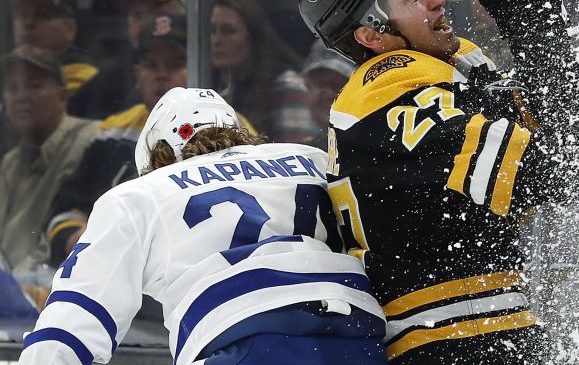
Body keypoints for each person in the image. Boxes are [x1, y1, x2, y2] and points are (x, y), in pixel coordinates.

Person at [299, 0, 579, 364]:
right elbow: (548, 173)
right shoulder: (386, 88)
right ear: (372, 36)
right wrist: (537, 36)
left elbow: (578, 140)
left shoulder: (450, 63)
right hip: (444, 340)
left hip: (489, 327)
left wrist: (540, 31)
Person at [19, 86, 388, 365]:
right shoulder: (310, 159)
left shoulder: (139, 194)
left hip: (240, 336)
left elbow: (76, 317)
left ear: (157, 153)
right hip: (358, 330)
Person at [47, 14, 257, 266]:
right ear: (136, 73)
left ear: (201, 67)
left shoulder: (231, 127)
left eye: (175, 64)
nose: (161, 75)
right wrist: (84, 242)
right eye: (151, 65)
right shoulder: (112, 132)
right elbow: (65, 212)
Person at [0, 45, 99, 274]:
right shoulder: (10, 161)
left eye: (34, 86)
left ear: (63, 96)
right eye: (13, 88)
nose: (22, 97)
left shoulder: (91, 142)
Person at [68, 0, 188, 119]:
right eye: (137, 15)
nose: (144, 24)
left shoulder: (208, 74)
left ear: (186, 17)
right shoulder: (108, 80)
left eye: (157, 14)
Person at [211, 0, 316, 142]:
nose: (217, 41)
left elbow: (296, 155)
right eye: (212, 30)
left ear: (254, 37)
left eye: (228, 31)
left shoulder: (287, 85)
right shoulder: (217, 87)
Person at [12, 0, 101, 96]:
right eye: (22, 15)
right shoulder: (11, 74)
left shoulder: (86, 80)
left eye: (42, 15)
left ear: (70, 29)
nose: (28, 23)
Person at [302, 40, 356, 150]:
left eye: (338, 86)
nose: (328, 95)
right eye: (321, 85)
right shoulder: (302, 153)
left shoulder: (377, 150)